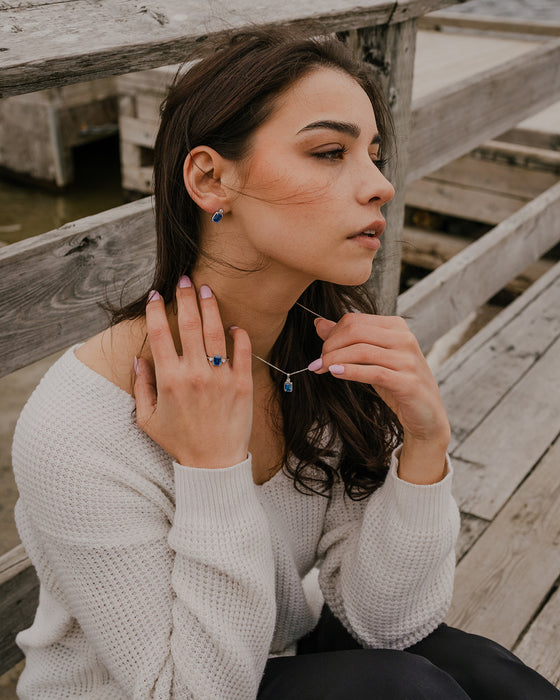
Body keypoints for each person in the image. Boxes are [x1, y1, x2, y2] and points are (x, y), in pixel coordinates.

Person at [11, 26, 560, 700]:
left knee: (490, 678)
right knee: (408, 691)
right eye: (330, 152)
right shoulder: (80, 424)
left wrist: (425, 445)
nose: (381, 186)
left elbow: (388, 624)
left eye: (374, 155)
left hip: (262, 649)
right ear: (211, 179)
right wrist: (211, 467)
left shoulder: (312, 358)